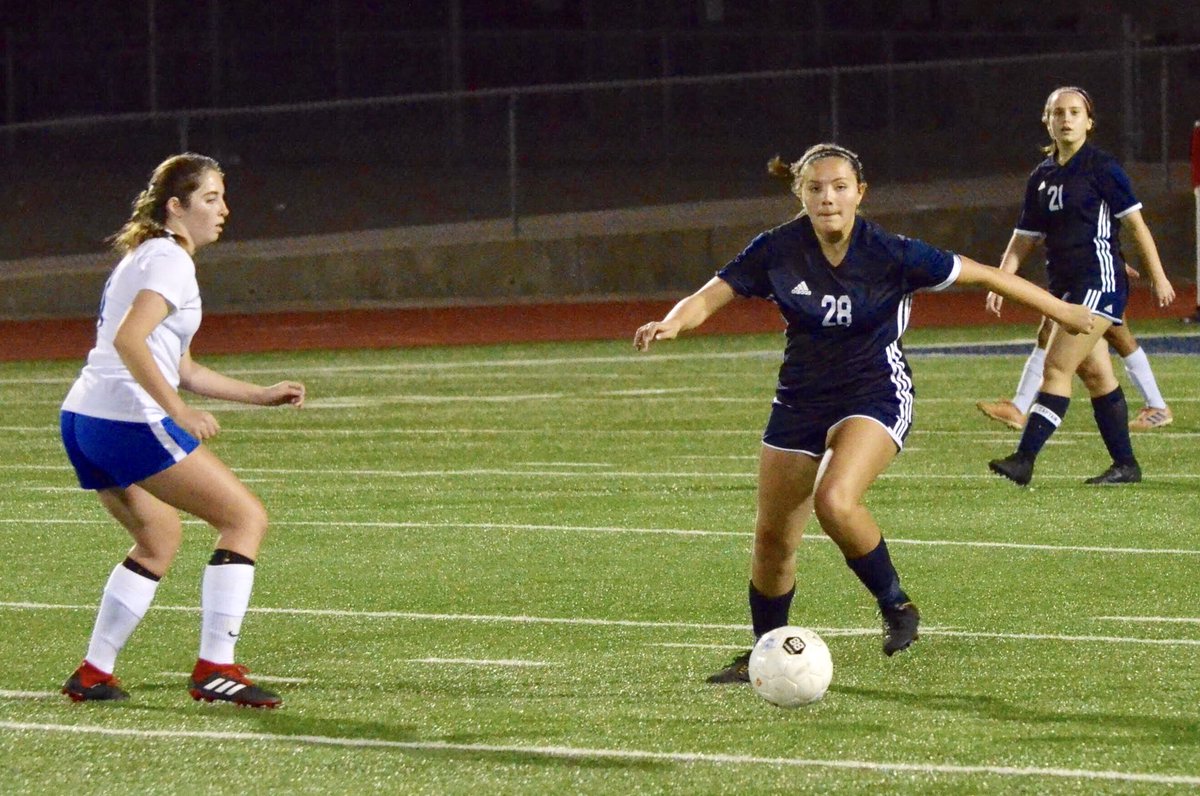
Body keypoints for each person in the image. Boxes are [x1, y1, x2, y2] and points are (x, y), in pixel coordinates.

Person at [633, 143, 1092, 682]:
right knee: (773, 540)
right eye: (815, 188)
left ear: (860, 193)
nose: (828, 198)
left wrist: (1061, 309)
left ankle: (896, 605)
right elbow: (711, 295)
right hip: (800, 399)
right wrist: (673, 321)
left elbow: (987, 275)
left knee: (835, 499)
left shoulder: (891, 252)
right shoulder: (777, 248)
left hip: (875, 393)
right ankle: (765, 652)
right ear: (800, 195)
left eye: (839, 187)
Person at [59, 153, 306, 708]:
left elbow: (184, 368)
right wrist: (175, 412)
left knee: (158, 539)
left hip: (85, 417)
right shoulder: (169, 260)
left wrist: (259, 394)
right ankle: (215, 668)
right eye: (210, 198)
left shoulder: (150, 255)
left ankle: (93, 673)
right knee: (244, 519)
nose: (224, 209)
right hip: (125, 418)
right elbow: (130, 341)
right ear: (176, 206)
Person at [986, 87, 1175, 487]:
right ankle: (1125, 465)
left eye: (1074, 112)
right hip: (1065, 286)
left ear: (1089, 121)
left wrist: (1158, 276)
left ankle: (1024, 459)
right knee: (1096, 375)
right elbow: (1023, 239)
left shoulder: (1102, 167)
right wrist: (1001, 280)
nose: (1066, 119)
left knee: (1056, 367)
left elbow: (1136, 226)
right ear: (1047, 121)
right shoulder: (1041, 176)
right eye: (1058, 113)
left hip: (1099, 282)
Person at [976, 296, 1172, 433]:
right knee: (1048, 331)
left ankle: (1157, 406)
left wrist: (1157, 276)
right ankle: (1019, 407)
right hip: (1076, 275)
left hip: (1096, 279)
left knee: (1119, 338)